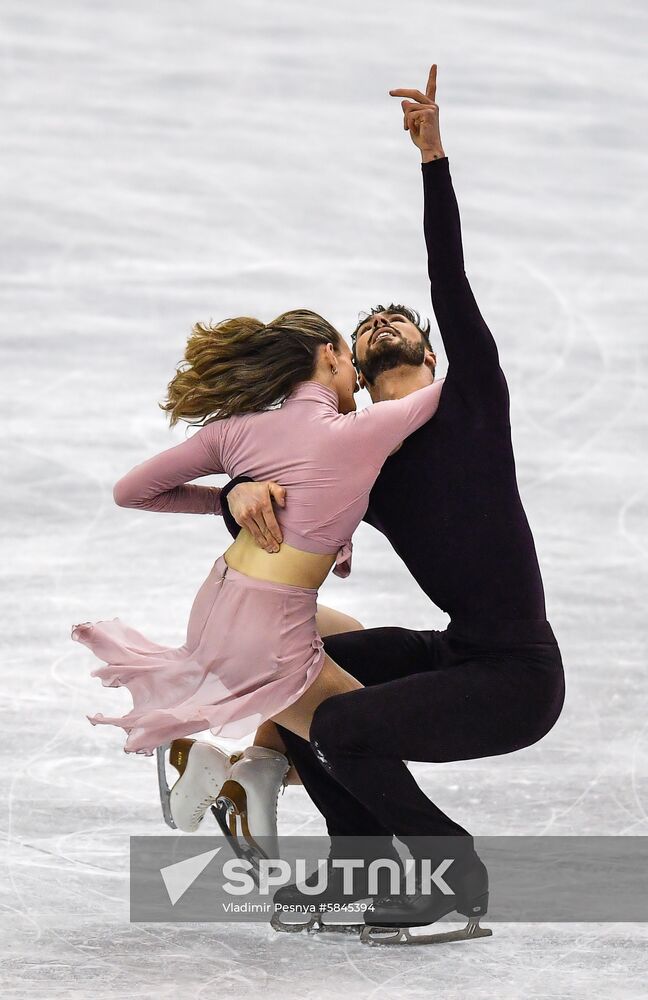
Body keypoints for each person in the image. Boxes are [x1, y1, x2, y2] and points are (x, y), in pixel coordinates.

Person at [206, 63, 565, 942]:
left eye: (399, 322)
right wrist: (240, 491)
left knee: (345, 720)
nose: (383, 322)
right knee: (297, 689)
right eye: (369, 329)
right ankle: (363, 872)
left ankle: (448, 876)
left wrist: (433, 158)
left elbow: (450, 274)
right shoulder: (359, 460)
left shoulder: (474, 398)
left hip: (518, 675)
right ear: (359, 380)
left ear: (433, 357)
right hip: (461, 651)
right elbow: (265, 496)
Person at [70, 309, 445, 846]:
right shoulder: (359, 431)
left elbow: (131, 491)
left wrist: (227, 492)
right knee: (367, 740)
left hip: (217, 606)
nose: (358, 384)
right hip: (268, 631)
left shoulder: (233, 432)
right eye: (352, 369)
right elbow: (461, 391)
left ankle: (250, 767)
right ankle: (244, 774)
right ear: (331, 356)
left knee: (348, 634)